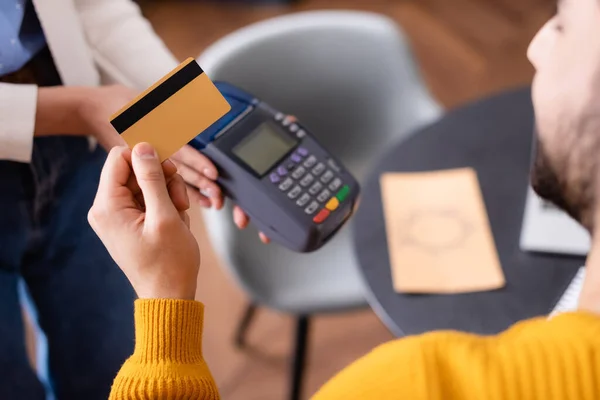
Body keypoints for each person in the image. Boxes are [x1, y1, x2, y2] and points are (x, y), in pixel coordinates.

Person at [88, 0, 600, 398]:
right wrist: (106, 108)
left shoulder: (413, 385)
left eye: (563, 24)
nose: (536, 45)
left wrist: (164, 296)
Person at [0, 1, 261, 398]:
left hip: (79, 126)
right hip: (82, 110)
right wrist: (80, 109)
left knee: (107, 360)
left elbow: (94, 7)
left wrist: (195, 121)